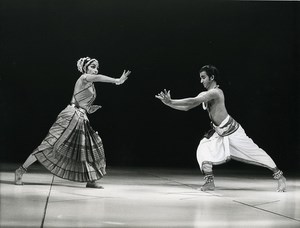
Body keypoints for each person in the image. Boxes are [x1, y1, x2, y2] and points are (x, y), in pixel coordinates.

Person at [155, 65, 286, 192]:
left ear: (211, 77)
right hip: (219, 132)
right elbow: (187, 107)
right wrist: (169, 103)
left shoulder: (216, 92)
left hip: (233, 131)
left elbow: (192, 101)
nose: (201, 81)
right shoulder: (205, 94)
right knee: (203, 147)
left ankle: (279, 176)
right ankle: (209, 181)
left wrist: (171, 101)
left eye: (203, 77)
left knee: (256, 153)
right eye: (200, 78)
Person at [15, 57, 131, 188]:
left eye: (97, 67)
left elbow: (81, 101)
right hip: (71, 115)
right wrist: (117, 80)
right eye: (92, 66)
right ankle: (20, 170)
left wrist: (89, 108)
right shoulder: (84, 78)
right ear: (85, 68)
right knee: (49, 144)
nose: (96, 69)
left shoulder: (90, 85)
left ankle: (91, 180)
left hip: (81, 117)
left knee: (89, 147)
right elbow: (97, 77)